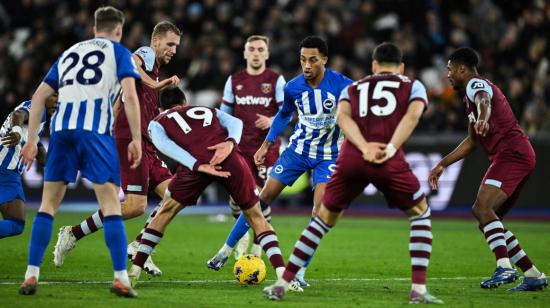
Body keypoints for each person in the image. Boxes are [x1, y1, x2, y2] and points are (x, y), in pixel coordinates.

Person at [263, 42, 444, 304]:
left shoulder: (354, 87)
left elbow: (343, 118)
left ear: (373, 65)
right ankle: (418, 290)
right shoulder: (412, 85)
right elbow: (413, 117)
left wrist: (363, 147)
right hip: (388, 158)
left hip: (352, 156)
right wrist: (390, 147)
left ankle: (283, 283)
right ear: (401, 67)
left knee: (323, 218)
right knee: (420, 213)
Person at [207, 36, 352, 287]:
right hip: (297, 151)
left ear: (324, 60)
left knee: (320, 213)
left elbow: (360, 112)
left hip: (328, 156)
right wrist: (266, 145)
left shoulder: (343, 86)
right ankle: (225, 250)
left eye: (313, 60)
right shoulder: (294, 87)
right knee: (260, 199)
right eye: (303, 59)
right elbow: (284, 114)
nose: (306, 65)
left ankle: (300, 272)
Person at [18, 6, 142, 297]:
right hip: (95, 131)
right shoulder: (119, 51)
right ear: (119, 30)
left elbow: (38, 97)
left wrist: (32, 140)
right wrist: (136, 137)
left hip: (61, 131)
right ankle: (121, 278)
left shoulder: (70, 53)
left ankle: (31, 275)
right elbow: (131, 95)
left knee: (47, 206)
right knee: (111, 206)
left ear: (94, 28)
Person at [127, 86, 299, 293]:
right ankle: (283, 277)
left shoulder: (157, 121)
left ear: (160, 107)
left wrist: (197, 165)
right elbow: (235, 122)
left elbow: (166, 147)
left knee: (165, 212)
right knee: (257, 217)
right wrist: (230, 142)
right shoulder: (206, 109)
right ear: (185, 103)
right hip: (228, 157)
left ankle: (133, 273)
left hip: (195, 165)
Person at [53, 21, 181, 277]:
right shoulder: (145, 54)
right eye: (170, 44)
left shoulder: (153, 73)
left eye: (176, 46)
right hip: (129, 139)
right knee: (135, 206)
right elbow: (132, 63)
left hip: (147, 142)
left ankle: (139, 246)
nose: (173, 50)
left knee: (177, 195)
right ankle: (72, 233)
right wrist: (157, 86)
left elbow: (125, 99)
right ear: (155, 41)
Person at [429, 47, 547, 291]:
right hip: (515, 155)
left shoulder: (475, 85)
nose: (448, 75)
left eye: (450, 69)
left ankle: (504, 267)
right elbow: (472, 141)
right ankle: (533, 274)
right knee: (490, 219)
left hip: (511, 154)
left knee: (481, 208)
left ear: (462, 68)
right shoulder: (468, 97)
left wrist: (483, 116)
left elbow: (484, 100)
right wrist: (443, 164)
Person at [210, 35, 286, 260]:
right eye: (251, 49)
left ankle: (257, 245)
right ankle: (241, 231)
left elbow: (287, 112)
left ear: (267, 53)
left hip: (266, 148)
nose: (255, 53)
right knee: (237, 198)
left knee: (262, 197)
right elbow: (224, 115)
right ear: (244, 53)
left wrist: (273, 121)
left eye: (260, 49)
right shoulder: (234, 80)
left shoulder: (276, 80)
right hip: (241, 149)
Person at [0, 96, 57, 239]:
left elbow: (37, 146)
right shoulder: (38, 108)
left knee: (16, 223)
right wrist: (17, 131)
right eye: (55, 95)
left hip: (8, 171)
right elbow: (18, 114)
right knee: (16, 222)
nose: (58, 101)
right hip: (4, 169)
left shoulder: (41, 120)